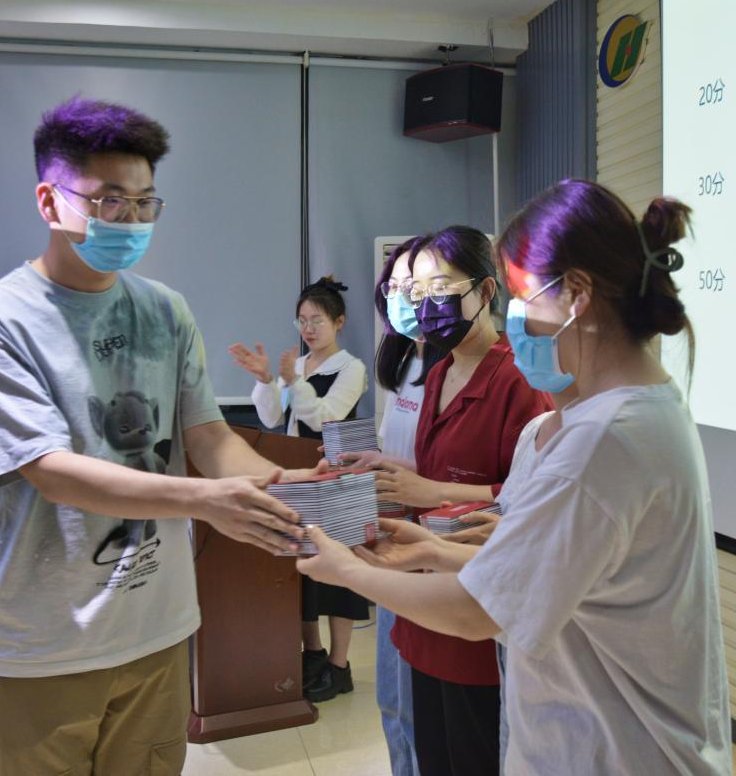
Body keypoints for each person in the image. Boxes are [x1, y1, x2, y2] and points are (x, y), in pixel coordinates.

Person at [299, 180, 733, 775]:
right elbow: (549, 559)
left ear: (577, 294)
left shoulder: (605, 439)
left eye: (526, 296)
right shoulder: (613, 417)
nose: (517, 316)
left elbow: (480, 610)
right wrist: (434, 548)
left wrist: (348, 570)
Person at [0, 96, 310, 776]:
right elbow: (50, 470)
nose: (132, 220)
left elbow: (207, 436)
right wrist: (206, 502)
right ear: (50, 202)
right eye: (110, 201)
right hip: (42, 642)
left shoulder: (164, 309)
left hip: (156, 629)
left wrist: (283, 483)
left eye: (145, 203)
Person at [370, 225, 553, 776]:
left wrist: (432, 492)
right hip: (428, 597)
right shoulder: (440, 371)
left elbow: (528, 497)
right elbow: (435, 471)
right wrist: (391, 472)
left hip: (478, 603)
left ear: (487, 290)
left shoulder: (519, 380)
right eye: (418, 292)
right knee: (432, 752)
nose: (427, 306)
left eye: (442, 289)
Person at [229, 276, 369, 701]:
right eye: (302, 321)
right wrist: (266, 379)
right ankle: (313, 653)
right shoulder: (299, 367)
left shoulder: (351, 367)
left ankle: (340, 666)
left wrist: (293, 381)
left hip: (338, 478)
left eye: (317, 320)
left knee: (339, 574)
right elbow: (273, 419)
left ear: (339, 322)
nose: (308, 329)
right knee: (303, 569)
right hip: (299, 474)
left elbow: (326, 415)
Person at [368, 236, 444, 776]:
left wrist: (415, 487)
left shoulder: (450, 368)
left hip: (433, 544)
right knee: (392, 697)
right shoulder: (402, 363)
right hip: (392, 536)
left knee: (419, 703)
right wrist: (370, 463)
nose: (401, 298)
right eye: (393, 287)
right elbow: (400, 450)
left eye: (412, 288)